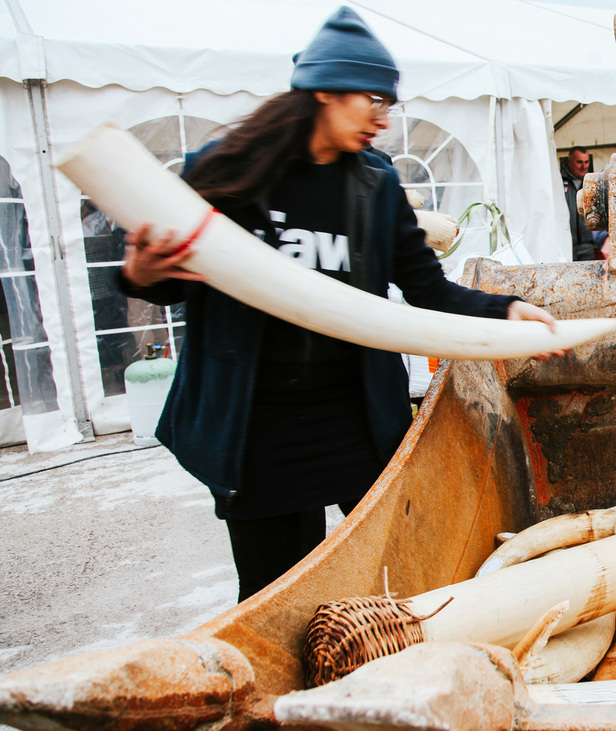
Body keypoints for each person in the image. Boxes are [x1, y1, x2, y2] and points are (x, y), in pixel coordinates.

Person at [116, 6, 560, 601]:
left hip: (352, 420)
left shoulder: (376, 190)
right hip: (257, 428)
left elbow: (428, 290)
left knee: (385, 583)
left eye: (388, 104)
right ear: (323, 90)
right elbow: (178, 282)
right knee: (274, 593)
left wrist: (507, 311)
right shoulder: (227, 172)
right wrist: (140, 272)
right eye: (371, 99)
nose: (382, 117)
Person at [560, 147, 597, 261]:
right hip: (565, 245)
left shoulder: (593, 184)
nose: (584, 166)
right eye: (579, 162)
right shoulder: (560, 183)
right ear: (570, 162)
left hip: (588, 246)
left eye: (586, 162)